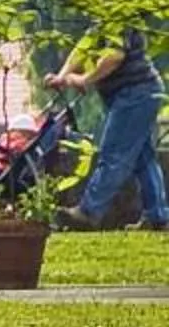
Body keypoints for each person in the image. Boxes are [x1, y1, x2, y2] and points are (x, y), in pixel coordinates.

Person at [48, 24, 166, 230]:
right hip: (137, 93)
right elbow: (82, 49)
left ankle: (88, 212)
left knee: (114, 155)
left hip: (136, 92)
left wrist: (86, 79)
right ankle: (158, 216)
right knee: (143, 158)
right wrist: (62, 76)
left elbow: (114, 57)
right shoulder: (101, 20)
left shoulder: (119, 18)